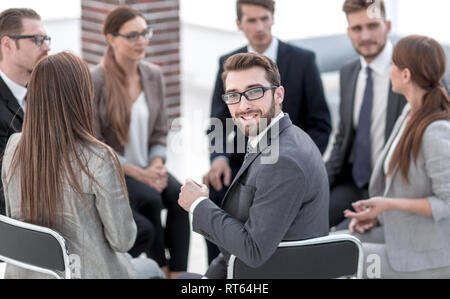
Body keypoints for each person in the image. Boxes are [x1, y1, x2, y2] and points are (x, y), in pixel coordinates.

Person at [1, 52, 164, 279]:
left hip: (28, 273)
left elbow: (14, 217)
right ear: (82, 95)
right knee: (153, 269)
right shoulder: (99, 157)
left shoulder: (14, 146)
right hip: (88, 273)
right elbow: (123, 240)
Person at [178, 53, 329, 279]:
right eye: (233, 95)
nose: (243, 105)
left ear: (278, 95)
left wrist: (199, 204)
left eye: (254, 91)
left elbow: (253, 249)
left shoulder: (283, 160)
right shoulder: (283, 137)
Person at [203, 0, 331, 264]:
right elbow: (217, 120)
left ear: (273, 18)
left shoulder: (303, 60)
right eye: (251, 20)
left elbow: (321, 123)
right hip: (243, 157)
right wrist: (219, 158)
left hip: (284, 156)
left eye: (264, 18)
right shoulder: (227, 64)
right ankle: (223, 266)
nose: (259, 27)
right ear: (239, 24)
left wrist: (296, 164)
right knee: (215, 193)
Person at [91, 6, 189, 279]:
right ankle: (161, 268)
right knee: (151, 199)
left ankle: (178, 274)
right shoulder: (95, 80)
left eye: (145, 33)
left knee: (181, 196)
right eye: (133, 35)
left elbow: (160, 131)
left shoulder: (153, 75)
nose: (142, 40)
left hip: (148, 166)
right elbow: (96, 143)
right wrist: (141, 174)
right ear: (111, 39)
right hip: (116, 170)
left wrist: (156, 167)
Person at [344, 35, 450, 279]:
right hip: (405, 232)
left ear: (405, 75)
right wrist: (378, 214)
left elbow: (447, 203)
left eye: (392, 64)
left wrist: (388, 205)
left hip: (429, 253)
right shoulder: (409, 113)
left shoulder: (436, 130)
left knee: (339, 259)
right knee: (339, 242)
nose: (387, 70)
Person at [326, 0, 406, 229]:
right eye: (357, 28)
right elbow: (343, 136)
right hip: (353, 181)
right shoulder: (348, 72)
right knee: (308, 221)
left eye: (373, 26)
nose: (365, 35)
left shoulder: (409, 70)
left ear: (388, 26)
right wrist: (318, 184)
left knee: (343, 238)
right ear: (348, 32)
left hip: (394, 187)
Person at [0, 8, 50, 215]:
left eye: (47, 38)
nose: (46, 47)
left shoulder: (46, 90)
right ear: (7, 44)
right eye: (37, 39)